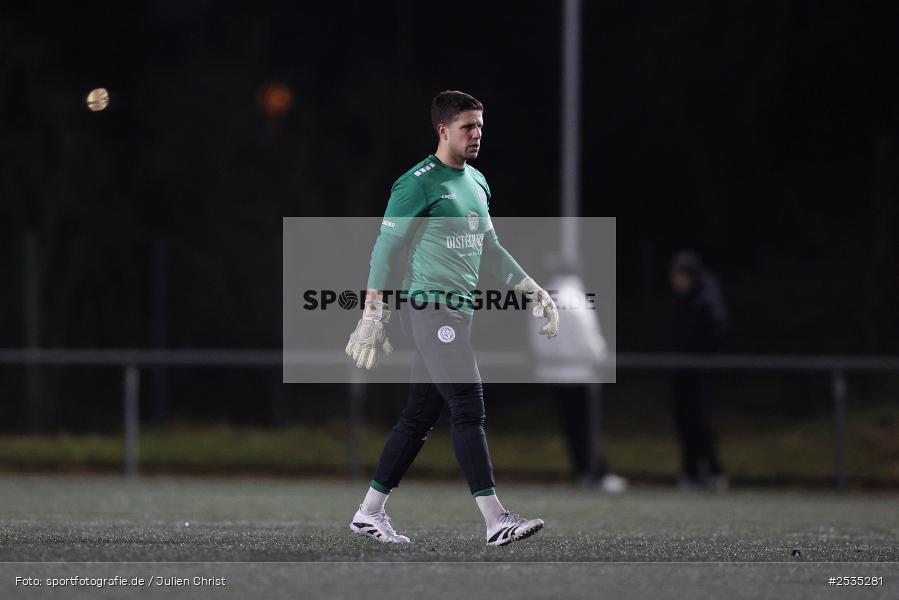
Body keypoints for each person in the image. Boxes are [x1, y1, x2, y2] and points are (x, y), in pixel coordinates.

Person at [344, 90, 560, 546]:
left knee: (419, 415)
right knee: (467, 404)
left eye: (480, 125)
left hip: (458, 314)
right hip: (429, 310)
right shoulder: (416, 183)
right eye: (468, 126)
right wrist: (373, 311)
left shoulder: (478, 182)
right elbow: (386, 248)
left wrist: (532, 289)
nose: (477, 133)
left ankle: (369, 512)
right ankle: (495, 519)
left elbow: (491, 249)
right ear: (443, 130)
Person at [528, 265, 627, 493]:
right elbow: (588, 338)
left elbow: (536, 339)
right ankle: (596, 473)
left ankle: (582, 471)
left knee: (571, 426)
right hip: (581, 374)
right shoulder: (576, 299)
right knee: (587, 426)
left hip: (554, 373)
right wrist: (600, 358)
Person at [668, 250, 729, 491]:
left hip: (701, 371)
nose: (676, 281)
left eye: (680, 276)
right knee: (684, 420)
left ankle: (714, 471)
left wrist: (703, 355)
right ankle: (690, 471)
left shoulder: (707, 298)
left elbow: (718, 330)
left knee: (701, 421)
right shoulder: (682, 299)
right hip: (682, 369)